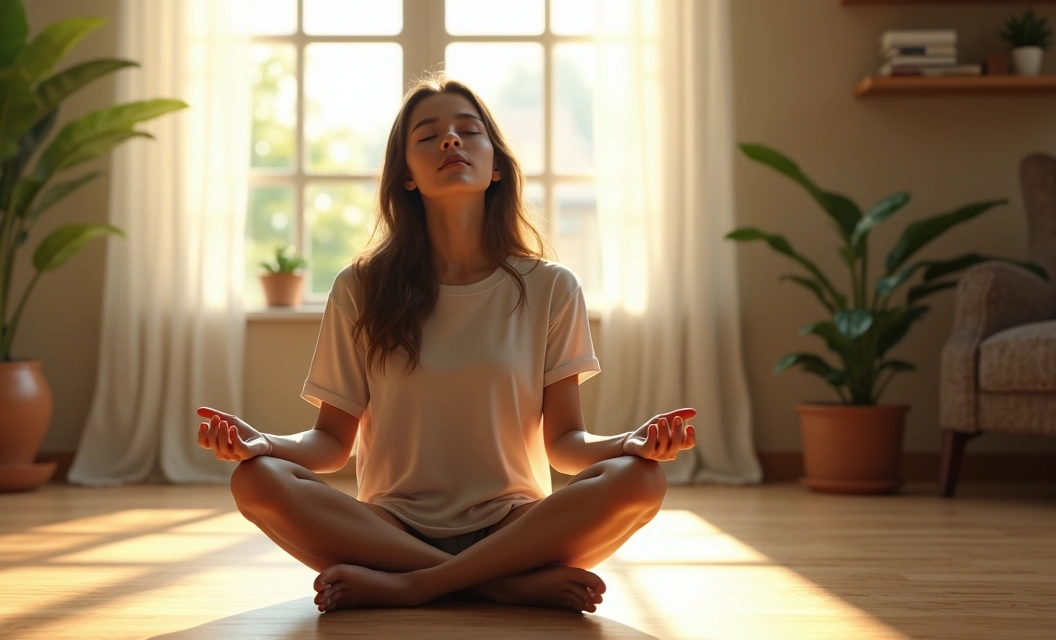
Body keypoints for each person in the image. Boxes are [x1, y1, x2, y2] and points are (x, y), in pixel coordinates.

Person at [196, 72, 696, 614]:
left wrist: (632, 442)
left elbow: (565, 445)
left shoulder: (551, 287)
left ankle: (415, 585)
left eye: (468, 130)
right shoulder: (359, 288)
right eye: (429, 135)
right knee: (257, 481)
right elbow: (331, 444)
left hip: (516, 525)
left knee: (640, 480)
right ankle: (498, 586)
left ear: (496, 166)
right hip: (388, 527)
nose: (451, 141)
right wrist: (262, 444)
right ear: (406, 175)